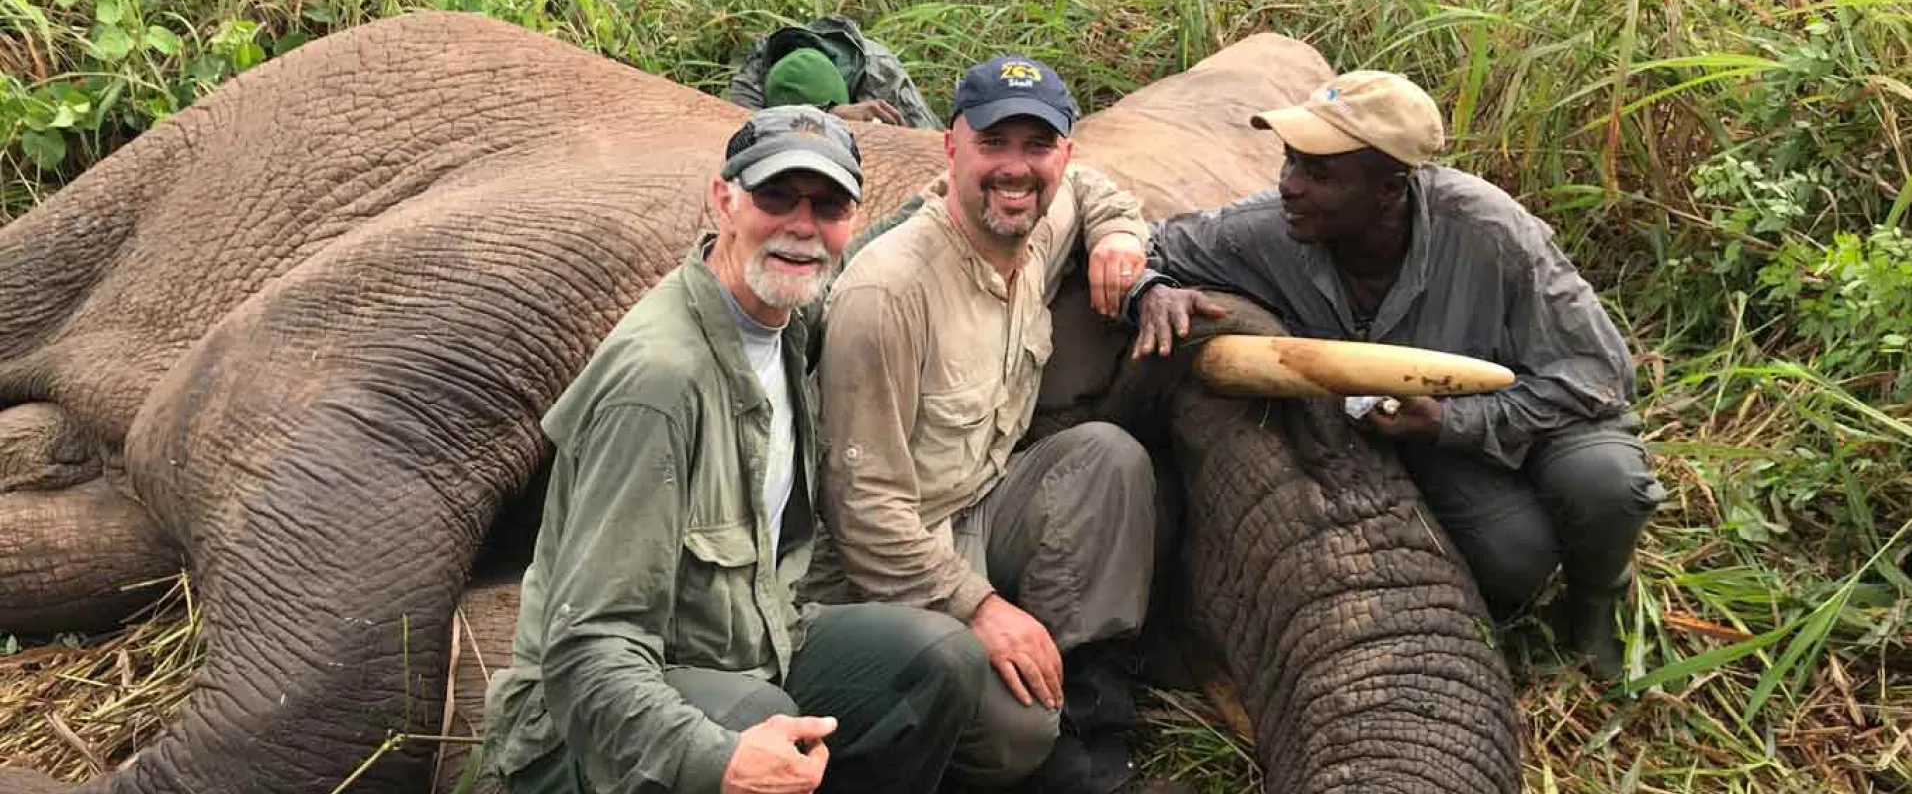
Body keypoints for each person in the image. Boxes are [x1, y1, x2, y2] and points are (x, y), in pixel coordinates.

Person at [481, 105, 987, 794]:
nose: (803, 227)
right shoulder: (659, 384)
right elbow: (588, 651)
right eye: (776, 197)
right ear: (723, 197)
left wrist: (953, 196)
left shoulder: (785, 317)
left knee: (939, 657)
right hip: (589, 720)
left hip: (753, 644)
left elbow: (840, 267)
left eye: (828, 205)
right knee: (761, 718)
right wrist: (715, 759)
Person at [1122, 70, 1666, 678]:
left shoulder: (1490, 231)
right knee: (1518, 560)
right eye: (1291, 161)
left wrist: (1456, 419)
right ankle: (1535, 594)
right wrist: (1151, 290)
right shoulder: (1272, 229)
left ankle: (1598, 596)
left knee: (1606, 483)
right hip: (1431, 436)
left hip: (1546, 409)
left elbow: (1600, 373)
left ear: (1390, 190)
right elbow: (1155, 244)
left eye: (1319, 173)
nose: (1289, 186)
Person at [804, 55, 1179, 794]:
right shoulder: (887, 294)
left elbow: (1089, 189)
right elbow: (862, 514)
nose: (1016, 168)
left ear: (1062, 151)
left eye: (1036, 146)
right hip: (864, 570)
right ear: (950, 148)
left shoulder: (1039, 218)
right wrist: (979, 608)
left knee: (1106, 458)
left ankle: (1092, 721)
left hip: (973, 508)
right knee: (1016, 734)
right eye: (993, 144)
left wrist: (1116, 239)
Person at [725, 15, 941, 129]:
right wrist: (826, 116)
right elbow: (739, 135)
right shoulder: (755, 74)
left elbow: (928, 150)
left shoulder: (882, 76)